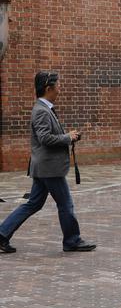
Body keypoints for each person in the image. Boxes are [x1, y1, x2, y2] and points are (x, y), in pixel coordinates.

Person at [0, 71, 96, 254]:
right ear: (48, 88)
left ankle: (2, 234)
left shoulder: (44, 109)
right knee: (65, 204)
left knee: (33, 204)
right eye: (58, 86)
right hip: (49, 168)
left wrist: (69, 137)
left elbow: (49, 136)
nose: (60, 89)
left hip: (44, 167)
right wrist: (67, 137)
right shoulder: (41, 111)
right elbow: (45, 138)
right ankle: (72, 240)